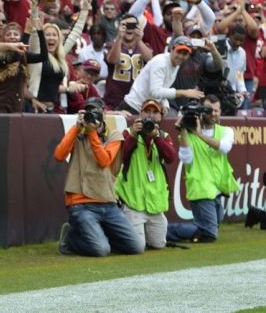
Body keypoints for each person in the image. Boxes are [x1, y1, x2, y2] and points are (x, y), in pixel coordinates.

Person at [54, 97, 143, 257]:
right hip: (81, 204)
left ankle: (96, 236)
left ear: (104, 114)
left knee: (136, 246)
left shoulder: (114, 136)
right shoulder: (78, 134)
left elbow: (104, 161)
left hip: (108, 202)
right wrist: (76, 128)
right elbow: (59, 155)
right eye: (89, 111)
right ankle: (70, 240)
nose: (93, 115)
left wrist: (92, 133)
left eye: (96, 111)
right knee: (101, 250)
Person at [167, 94, 240, 243]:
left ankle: (163, 230)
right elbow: (186, 159)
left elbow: (224, 147)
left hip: (218, 189)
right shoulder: (188, 132)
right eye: (208, 110)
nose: (213, 114)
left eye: (216, 110)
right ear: (201, 111)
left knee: (208, 227)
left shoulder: (226, 131)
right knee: (209, 232)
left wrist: (199, 134)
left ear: (220, 112)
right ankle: (164, 231)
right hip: (201, 188)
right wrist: (183, 131)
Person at [115, 99, 176, 250]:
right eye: (147, 111)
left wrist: (156, 137)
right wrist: (134, 135)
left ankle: (142, 234)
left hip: (154, 202)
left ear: (161, 116)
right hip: (133, 201)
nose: (151, 115)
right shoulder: (129, 132)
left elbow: (171, 158)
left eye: (155, 112)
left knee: (159, 244)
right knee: (138, 247)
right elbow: (121, 156)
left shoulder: (164, 135)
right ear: (140, 114)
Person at [120, 36, 204, 115]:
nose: (181, 56)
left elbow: (163, 88)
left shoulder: (176, 64)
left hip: (147, 110)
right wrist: (183, 93)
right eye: (179, 52)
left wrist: (165, 105)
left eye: (185, 54)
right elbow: (155, 91)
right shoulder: (161, 62)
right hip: (132, 107)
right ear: (172, 49)